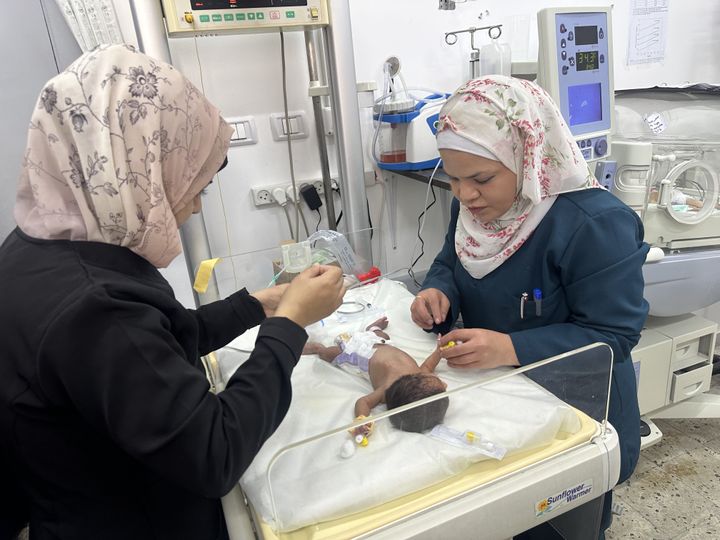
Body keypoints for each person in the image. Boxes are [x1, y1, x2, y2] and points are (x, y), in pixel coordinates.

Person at [0, 44, 345, 540]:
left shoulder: (46, 245)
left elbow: (150, 345)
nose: (197, 207)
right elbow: (215, 453)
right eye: (194, 185)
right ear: (136, 170)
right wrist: (287, 328)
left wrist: (254, 306)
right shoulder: (94, 305)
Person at [409, 76, 648, 538]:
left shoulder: (594, 226)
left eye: (480, 179)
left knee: (563, 521)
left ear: (530, 157)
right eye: (452, 178)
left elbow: (615, 335)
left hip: (579, 411)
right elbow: (450, 260)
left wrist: (509, 347)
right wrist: (438, 291)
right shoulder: (474, 209)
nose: (464, 195)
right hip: (503, 396)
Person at [303, 317, 449, 436]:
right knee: (382, 335)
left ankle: (317, 348)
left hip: (358, 353)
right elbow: (429, 366)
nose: (445, 384)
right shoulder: (421, 375)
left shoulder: (387, 389)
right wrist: (439, 352)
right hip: (382, 343)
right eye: (443, 386)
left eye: (440, 384)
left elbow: (364, 402)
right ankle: (373, 329)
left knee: (330, 354)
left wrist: (362, 420)